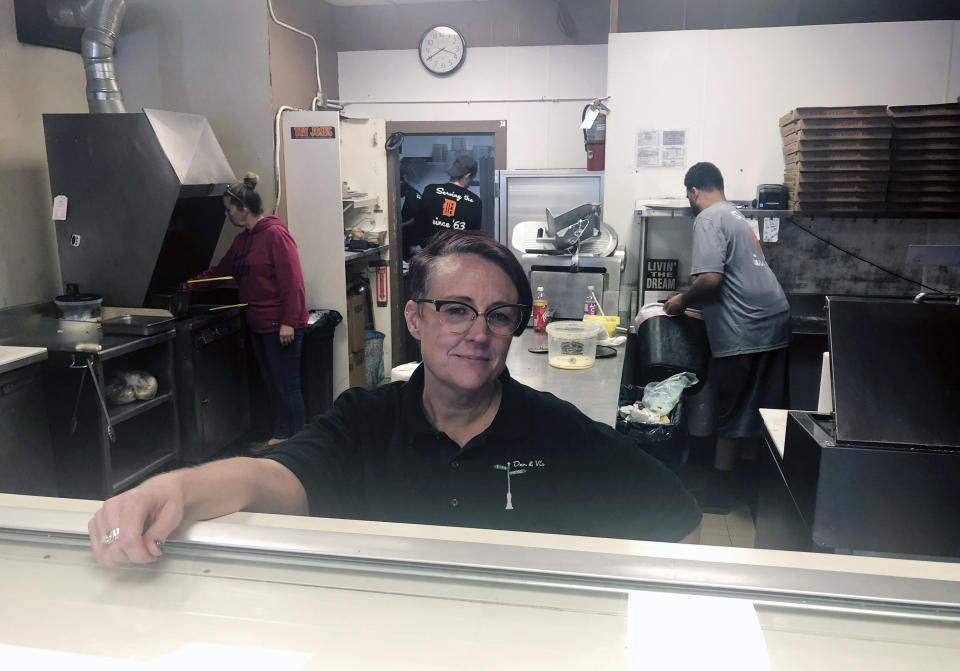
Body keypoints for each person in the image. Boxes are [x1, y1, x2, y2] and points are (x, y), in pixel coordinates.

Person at [87, 231, 700, 567]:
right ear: (415, 318)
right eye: (456, 310)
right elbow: (266, 477)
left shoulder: (557, 431)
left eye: (498, 315)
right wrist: (174, 490)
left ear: (517, 326)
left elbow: (678, 521)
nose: (477, 332)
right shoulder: (364, 422)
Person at [664, 162, 791, 514]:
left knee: (731, 412)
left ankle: (718, 495)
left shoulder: (706, 218)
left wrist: (680, 301)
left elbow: (710, 279)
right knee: (759, 411)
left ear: (693, 191)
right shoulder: (736, 215)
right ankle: (749, 489)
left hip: (745, 328)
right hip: (775, 321)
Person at [189, 172, 309, 454]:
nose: (227, 214)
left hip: (281, 325)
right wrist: (188, 286)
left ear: (244, 209)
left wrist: (289, 323)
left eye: (229, 209)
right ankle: (282, 435)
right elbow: (221, 271)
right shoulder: (243, 241)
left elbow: (293, 281)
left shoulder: (275, 235)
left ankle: (302, 444)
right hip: (259, 325)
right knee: (273, 384)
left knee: (287, 386)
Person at [403, 155, 482, 259]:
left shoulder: (430, 190)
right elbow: (474, 237)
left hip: (430, 255)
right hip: (458, 257)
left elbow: (419, 223)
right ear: (468, 175)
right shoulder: (475, 201)